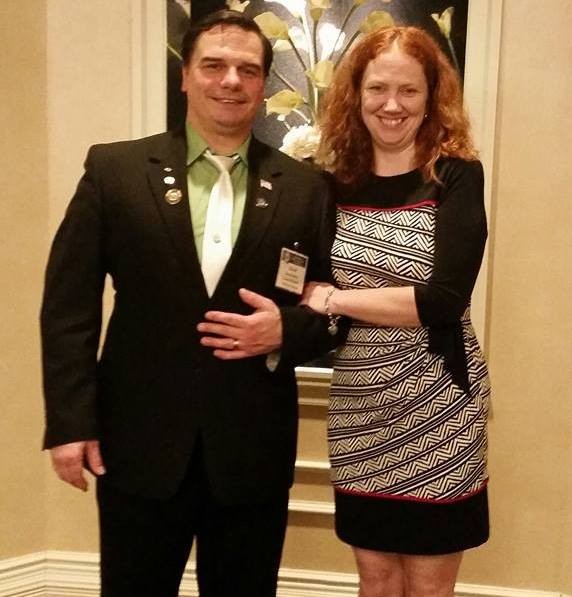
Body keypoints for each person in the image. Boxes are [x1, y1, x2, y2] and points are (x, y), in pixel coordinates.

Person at [40, 10, 338, 597]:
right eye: (213, 65)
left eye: (247, 70)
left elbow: (333, 309)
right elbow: (68, 308)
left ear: (263, 83)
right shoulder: (116, 171)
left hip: (252, 448)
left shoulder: (307, 189)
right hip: (138, 444)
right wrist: (70, 422)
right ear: (185, 76)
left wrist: (286, 330)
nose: (230, 80)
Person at [301, 25, 491, 597]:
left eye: (409, 90)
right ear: (355, 94)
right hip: (359, 408)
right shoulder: (332, 185)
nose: (392, 104)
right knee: (377, 579)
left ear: (432, 98)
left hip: (439, 406)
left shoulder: (456, 175)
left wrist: (336, 299)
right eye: (378, 88)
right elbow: (304, 283)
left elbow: (442, 301)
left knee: (429, 587)